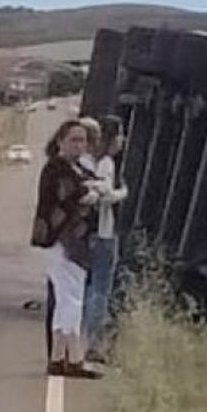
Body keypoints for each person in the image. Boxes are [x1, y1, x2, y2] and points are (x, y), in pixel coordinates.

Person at [31, 119, 101, 378]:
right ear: (60, 141)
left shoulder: (75, 167)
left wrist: (94, 188)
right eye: (73, 139)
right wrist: (91, 193)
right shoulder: (56, 167)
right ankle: (74, 358)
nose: (79, 145)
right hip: (62, 240)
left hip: (76, 240)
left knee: (67, 298)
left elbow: (91, 183)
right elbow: (70, 194)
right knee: (72, 298)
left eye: (82, 140)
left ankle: (59, 357)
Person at [80, 115, 127, 361]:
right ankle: (94, 344)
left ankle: (82, 336)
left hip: (85, 233)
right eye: (120, 135)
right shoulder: (106, 162)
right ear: (111, 138)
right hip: (104, 232)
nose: (122, 140)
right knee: (101, 288)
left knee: (88, 287)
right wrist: (123, 192)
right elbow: (104, 194)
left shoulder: (84, 160)